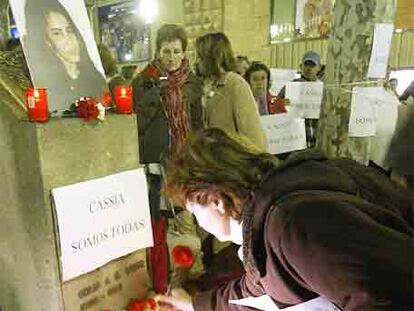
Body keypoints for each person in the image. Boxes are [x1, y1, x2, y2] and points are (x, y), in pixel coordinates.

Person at [157, 128, 414, 311]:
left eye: (194, 211)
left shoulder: (290, 225)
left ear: (216, 201)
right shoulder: (270, 214)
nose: (199, 223)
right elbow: (255, 289)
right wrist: (195, 305)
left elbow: (387, 297)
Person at [131, 23, 204, 294]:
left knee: (187, 219)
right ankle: (160, 282)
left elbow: (198, 123)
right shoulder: (143, 81)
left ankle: (185, 279)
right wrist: (153, 95)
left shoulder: (192, 83)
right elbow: (136, 123)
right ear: (157, 52)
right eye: (166, 52)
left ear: (185, 53)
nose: (171, 57)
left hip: (185, 162)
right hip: (154, 164)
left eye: (176, 51)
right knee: (157, 225)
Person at [22, 0, 107, 115]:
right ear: (47, 41)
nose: (69, 40)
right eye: (57, 33)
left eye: (69, 30)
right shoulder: (46, 86)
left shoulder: (95, 79)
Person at [195, 32, 267, 150]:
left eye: (200, 56)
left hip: (233, 163)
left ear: (212, 57)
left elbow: (253, 136)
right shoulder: (206, 85)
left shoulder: (235, 84)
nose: (197, 61)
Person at [278, 50, 322, 148]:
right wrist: (284, 104)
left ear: (319, 67)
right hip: (296, 137)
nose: (309, 68)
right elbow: (276, 106)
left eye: (312, 65)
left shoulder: (323, 89)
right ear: (301, 66)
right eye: (306, 65)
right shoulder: (290, 87)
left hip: (317, 136)